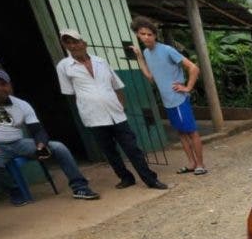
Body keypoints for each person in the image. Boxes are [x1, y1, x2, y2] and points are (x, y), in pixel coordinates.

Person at [55, 28, 167, 191]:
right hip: (94, 117)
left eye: (75, 42)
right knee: (110, 152)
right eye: (68, 43)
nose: (73, 46)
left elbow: (117, 85)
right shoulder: (64, 67)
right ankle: (126, 178)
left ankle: (150, 179)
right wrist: (89, 104)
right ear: (65, 45)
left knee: (132, 148)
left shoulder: (100, 61)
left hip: (116, 114)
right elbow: (70, 93)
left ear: (83, 43)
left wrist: (121, 105)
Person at [0, 67, 99, 206]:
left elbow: (37, 130)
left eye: (3, 84)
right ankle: (14, 190)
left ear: (9, 86)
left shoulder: (21, 104)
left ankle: (80, 187)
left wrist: (41, 145)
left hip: (18, 143)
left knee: (59, 147)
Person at [130, 17, 207, 175]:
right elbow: (150, 76)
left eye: (149, 34)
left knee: (191, 131)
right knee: (181, 132)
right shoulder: (146, 52)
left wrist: (187, 88)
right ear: (138, 35)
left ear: (155, 35)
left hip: (179, 99)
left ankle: (200, 165)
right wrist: (139, 57)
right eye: (142, 34)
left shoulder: (166, 50)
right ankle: (191, 163)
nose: (146, 37)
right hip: (168, 101)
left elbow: (193, 68)